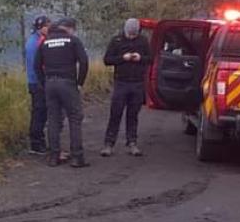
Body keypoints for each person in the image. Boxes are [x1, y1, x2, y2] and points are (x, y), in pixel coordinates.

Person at [34, 17, 89, 168]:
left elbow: (36, 65)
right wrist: (79, 82)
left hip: (50, 84)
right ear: (69, 29)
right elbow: (84, 61)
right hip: (68, 82)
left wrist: (44, 82)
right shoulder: (72, 40)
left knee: (53, 119)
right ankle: (77, 157)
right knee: (74, 118)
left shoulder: (45, 42)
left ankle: (54, 156)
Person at [101, 18, 152, 157]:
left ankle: (132, 143)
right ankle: (108, 144)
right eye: (129, 34)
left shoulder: (143, 41)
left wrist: (140, 58)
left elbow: (150, 59)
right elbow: (107, 60)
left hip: (137, 83)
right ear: (125, 30)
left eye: (134, 34)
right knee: (115, 113)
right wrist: (122, 58)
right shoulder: (116, 40)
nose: (131, 36)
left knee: (133, 114)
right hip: (121, 82)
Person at [24, 15, 51, 155]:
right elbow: (37, 65)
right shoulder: (34, 43)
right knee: (38, 112)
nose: (49, 28)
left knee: (42, 112)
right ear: (40, 27)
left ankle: (39, 141)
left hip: (38, 81)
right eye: (47, 26)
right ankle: (36, 143)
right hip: (37, 83)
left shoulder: (38, 40)